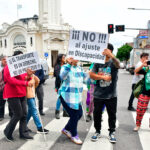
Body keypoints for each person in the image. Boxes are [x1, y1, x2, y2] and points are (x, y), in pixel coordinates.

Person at [90, 43, 120, 143]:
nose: (103, 52)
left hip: (111, 95)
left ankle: (112, 132)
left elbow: (119, 64)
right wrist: (103, 77)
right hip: (98, 94)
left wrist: (111, 55)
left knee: (112, 115)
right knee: (97, 114)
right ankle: (97, 131)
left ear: (109, 51)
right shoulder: (97, 62)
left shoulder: (113, 62)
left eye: (105, 50)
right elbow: (91, 75)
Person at [58, 57, 90, 145]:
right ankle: (74, 135)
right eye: (74, 57)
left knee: (79, 114)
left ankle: (66, 129)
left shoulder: (80, 68)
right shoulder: (65, 67)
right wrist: (69, 64)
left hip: (76, 97)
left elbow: (86, 79)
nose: (76, 59)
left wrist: (91, 73)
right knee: (75, 115)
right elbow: (62, 76)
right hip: (66, 96)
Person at [3, 51, 33, 141]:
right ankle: (7, 132)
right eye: (19, 57)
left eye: (22, 56)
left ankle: (23, 133)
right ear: (14, 58)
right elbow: (11, 80)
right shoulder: (8, 67)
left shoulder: (23, 67)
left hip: (22, 93)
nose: (21, 58)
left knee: (24, 114)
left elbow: (26, 78)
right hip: (12, 93)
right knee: (18, 114)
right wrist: (25, 83)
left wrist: (29, 74)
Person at [26, 68, 49, 134]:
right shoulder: (25, 76)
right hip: (27, 96)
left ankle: (24, 126)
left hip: (32, 95)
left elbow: (38, 81)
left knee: (30, 112)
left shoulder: (33, 76)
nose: (33, 70)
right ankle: (39, 127)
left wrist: (33, 87)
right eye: (30, 69)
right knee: (34, 110)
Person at [133, 57, 150, 131]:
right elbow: (136, 71)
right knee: (140, 109)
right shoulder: (147, 69)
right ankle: (138, 125)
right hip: (145, 91)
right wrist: (142, 65)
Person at [54, 54, 69, 119]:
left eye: (65, 57)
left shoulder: (66, 65)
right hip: (59, 84)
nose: (64, 58)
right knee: (60, 98)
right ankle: (57, 112)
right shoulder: (57, 66)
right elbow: (57, 75)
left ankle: (65, 112)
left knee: (66, 98)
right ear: (60, 58)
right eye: (63, 57)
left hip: (66, 84)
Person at [0, 55, 7, 121]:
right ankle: (1, 115)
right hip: (1, 88)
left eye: (6, 59)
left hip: (8, 87)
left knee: (10, 102)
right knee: (1, 102)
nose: (6, 61)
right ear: (1, 60)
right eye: (4, 59)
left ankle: (11, 114)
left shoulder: (9, 67)